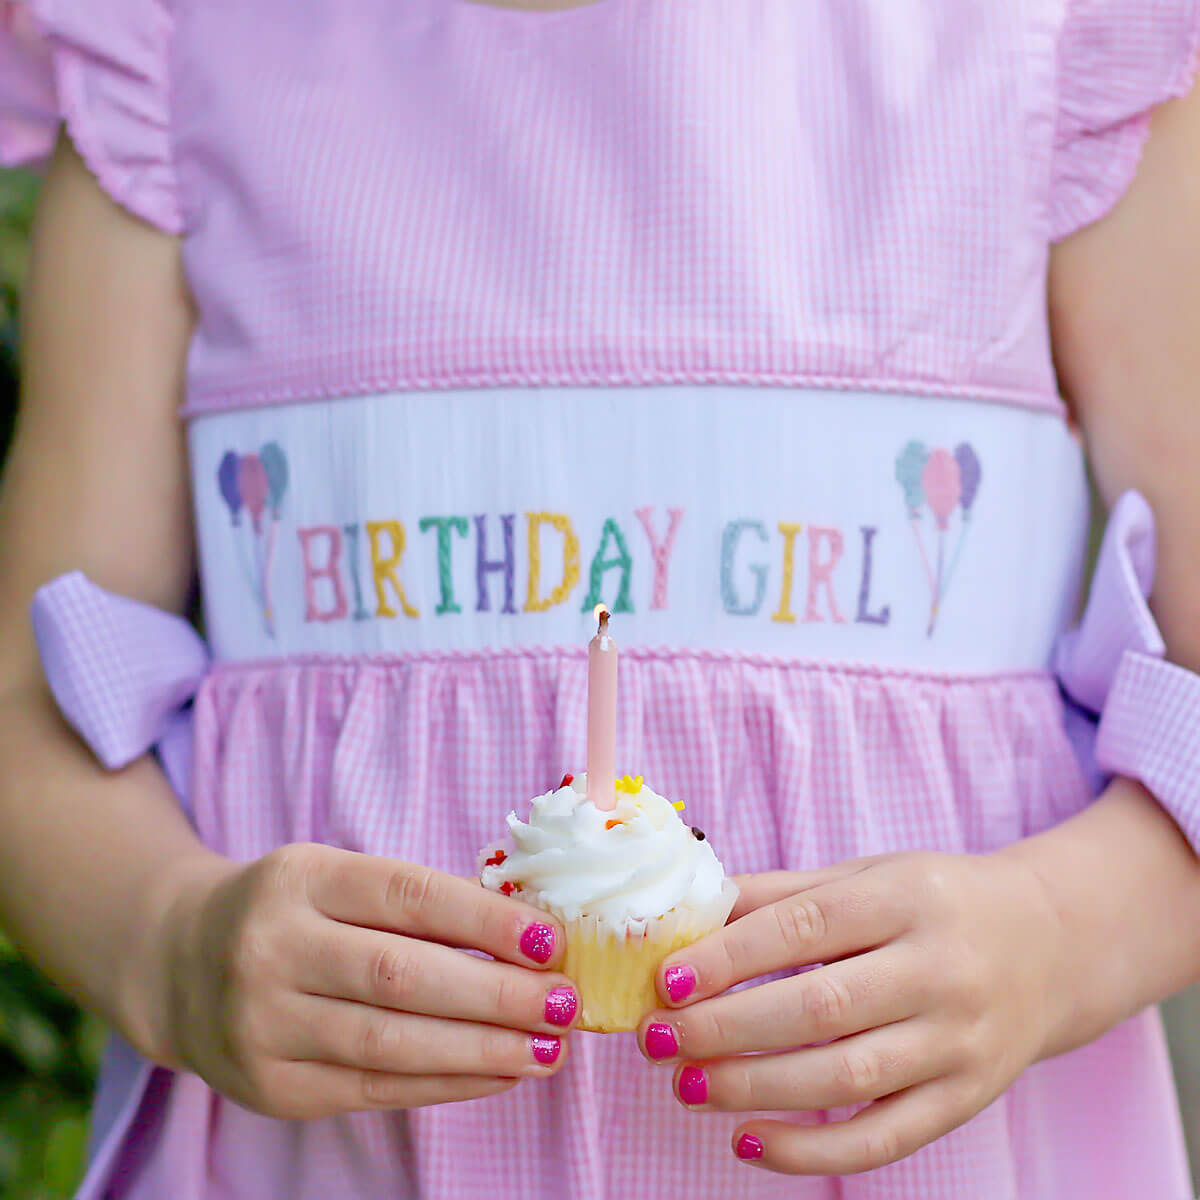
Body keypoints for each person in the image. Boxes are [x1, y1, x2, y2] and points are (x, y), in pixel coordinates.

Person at [2, 1, 1200, 1196]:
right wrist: (170, 944)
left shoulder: (1049, 46)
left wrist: (1053, 934)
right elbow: (26, 713)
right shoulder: (181, 53)